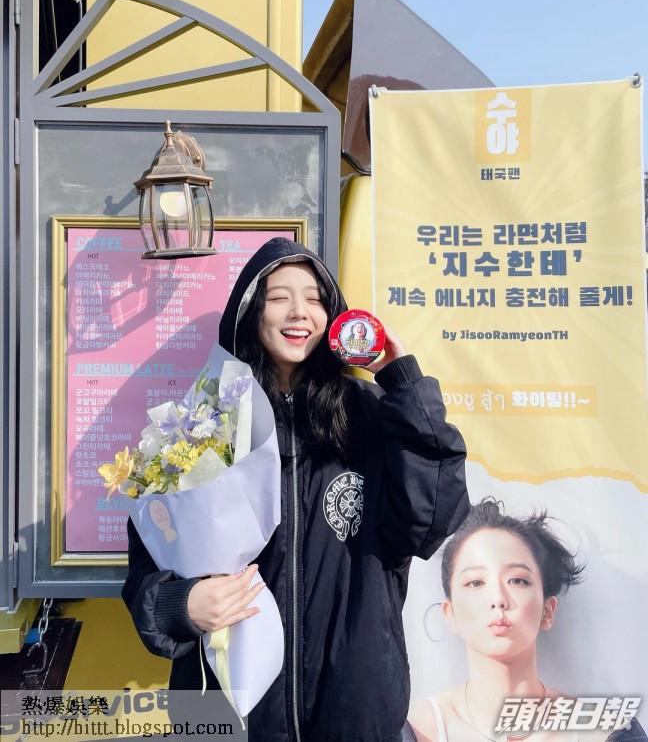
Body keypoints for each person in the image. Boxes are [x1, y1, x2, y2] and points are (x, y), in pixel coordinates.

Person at [122, 238, 469, 742]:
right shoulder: (201, 425)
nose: (299, 312)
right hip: (231, 712)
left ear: (333, 316)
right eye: (279, 297)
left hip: (353, 709)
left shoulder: (370, 415)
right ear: (250, 312)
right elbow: (146, 565)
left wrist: (403, 382)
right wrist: (182, 605)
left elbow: (433, 518)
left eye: (314, 299)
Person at [405, 498, 647, 742]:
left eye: (518, 580)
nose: (498, 599)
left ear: (547, 611)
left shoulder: (606, 733)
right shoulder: (414, 730)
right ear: (450, 613)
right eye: (476, 582)